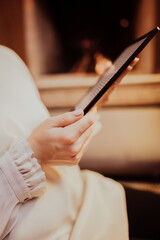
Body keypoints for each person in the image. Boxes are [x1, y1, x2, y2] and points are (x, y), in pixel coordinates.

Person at [0, 45, 138, 240]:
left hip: (87, 195)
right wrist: (33, 153)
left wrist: (97, 98)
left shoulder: (7, 57)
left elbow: (33, 131)